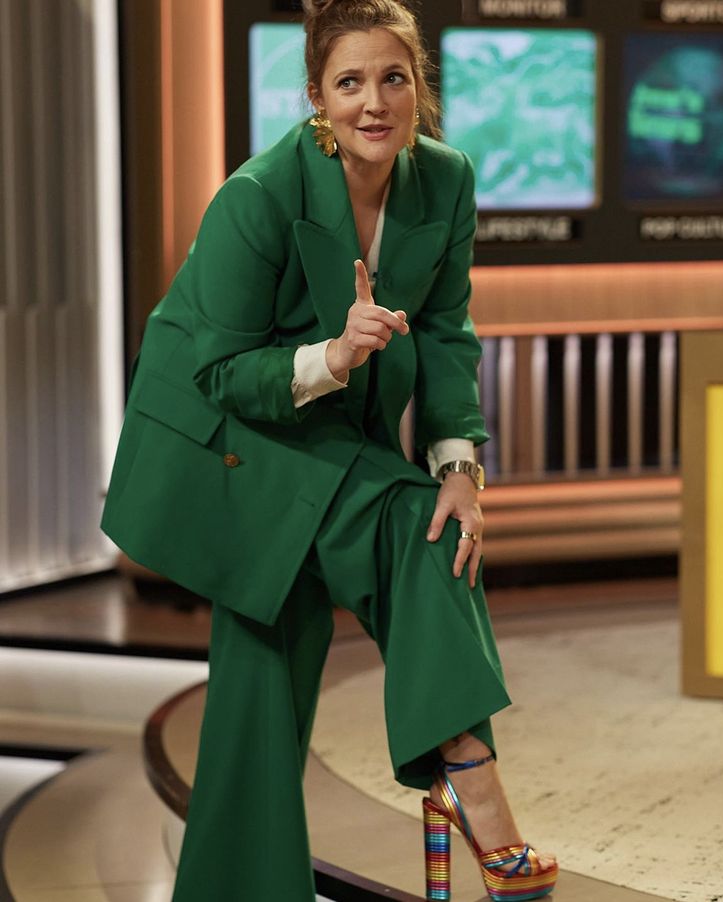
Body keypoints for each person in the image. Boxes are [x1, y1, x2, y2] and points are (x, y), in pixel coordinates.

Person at [101, 0, 559, 899]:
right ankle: (470, 773)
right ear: (317, 96)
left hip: (321, 436)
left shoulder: (447, 179)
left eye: (395, 77)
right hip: (226, 436)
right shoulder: (258, 196)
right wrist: (335, 355)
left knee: (265, 682)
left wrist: (461, 466)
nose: (375, 102)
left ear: (420, 85)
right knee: (401, 521)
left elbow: (448, 332)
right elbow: (220, 372)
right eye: (349, 82)